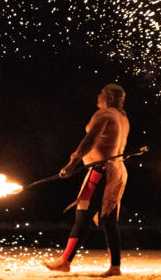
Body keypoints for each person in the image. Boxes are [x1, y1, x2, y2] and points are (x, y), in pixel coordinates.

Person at [43, 83, 129, 277]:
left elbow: (90, 140)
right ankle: (115, 267)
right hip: (117, 171)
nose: (98, 96)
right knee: (108, 219)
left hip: (101, 171)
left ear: (109, 97)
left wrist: (71, 164)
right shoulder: (123, 118)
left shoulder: (105, 115)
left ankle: (65, 261)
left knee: (83, 214)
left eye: (101, 93)